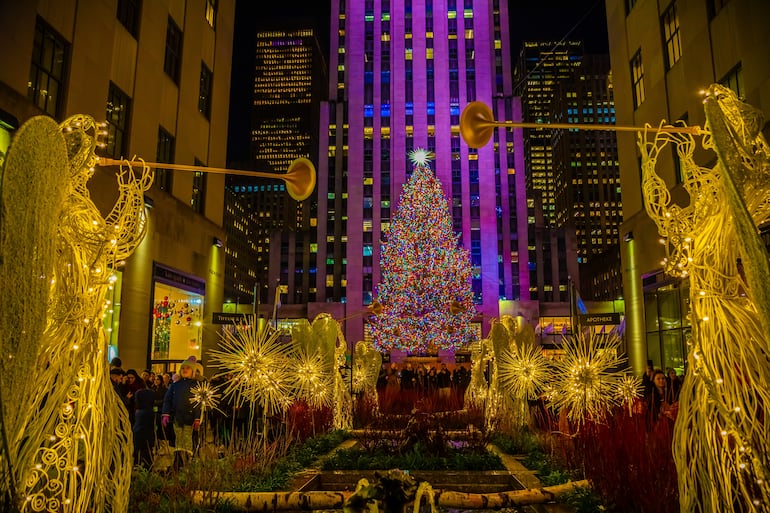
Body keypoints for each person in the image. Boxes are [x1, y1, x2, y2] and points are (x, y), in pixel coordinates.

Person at [161, 357, 202, 469]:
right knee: (179, 439)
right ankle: (178, 463)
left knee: (187, 440)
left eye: (188, 368)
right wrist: (166, 413)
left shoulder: (196, 385)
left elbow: (198, 403)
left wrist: (197, 418)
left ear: (192, 370)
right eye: (183, 368)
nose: (185, 370)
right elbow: (167, 400)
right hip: (177, 417)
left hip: (189, 418)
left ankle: (186, 462)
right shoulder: (175, 385)